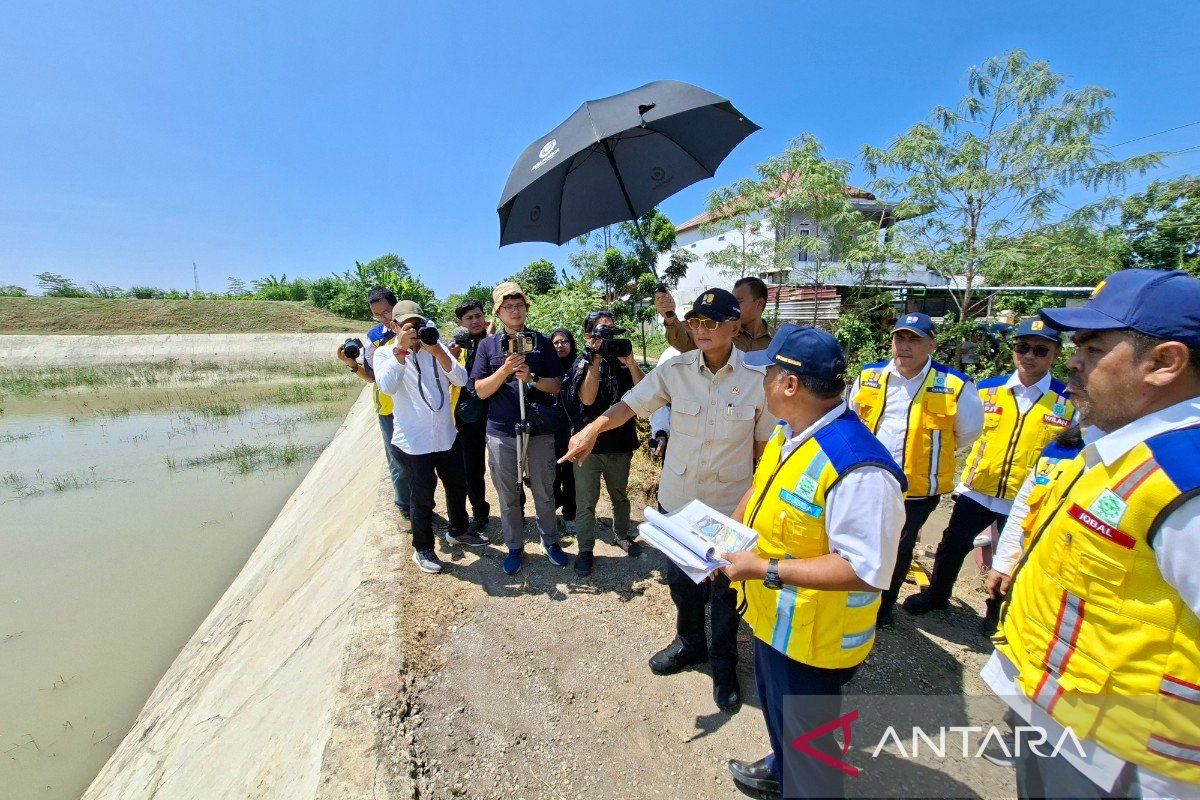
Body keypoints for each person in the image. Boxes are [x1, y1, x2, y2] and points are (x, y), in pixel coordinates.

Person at [982, 269, 1200, 799]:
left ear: (1164, 363)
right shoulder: (1117, 447)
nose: (1072, 361)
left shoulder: (1185, 482)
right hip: (1065, 722)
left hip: (1125, 761)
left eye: (1094, 348)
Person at [561, 288, 776, 712]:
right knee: (681, 583)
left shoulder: (757, 381)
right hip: (679, 504)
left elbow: (762, 452)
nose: (701, 330)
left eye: (711, 323)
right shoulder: (674, 371)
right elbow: (629, 406)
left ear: (735, 327)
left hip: (727, 509)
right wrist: (592, 429)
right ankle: (689, 644)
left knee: (725, 592)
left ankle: (723, 662)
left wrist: (750, 507)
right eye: (695, 322)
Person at [718, 324, 906, 800]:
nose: (762, 383)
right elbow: (759, 490)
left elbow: (865, 569)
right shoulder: (791, 433)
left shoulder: (858, 468)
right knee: (781, 719)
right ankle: (782, 767)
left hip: (813, 641)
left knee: (811, 750)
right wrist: (724, 536)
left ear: (789, 384)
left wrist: (763, 569)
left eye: (767, 374)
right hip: (775, 621)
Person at [903, 317, 1074, 625]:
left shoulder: (1068, 401)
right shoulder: (986, 390)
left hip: (1026, 498)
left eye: (1040, 350)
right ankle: (937, 596)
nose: (1029, 356)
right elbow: (961, 433)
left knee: (1013, 560)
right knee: (952, 546)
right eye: (1022, 347)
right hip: (979, 488)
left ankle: (996, 613)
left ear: (1056, 355)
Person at [849, 312, 984, 629]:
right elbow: (853, 418)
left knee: (898, 547)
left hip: (917, 489)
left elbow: (968, 432)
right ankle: (852, 599)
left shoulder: (955, 385)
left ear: (932, 345)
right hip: (868, 479)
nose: (905, 346)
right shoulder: (869, 376)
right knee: (858, 538)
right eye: (900, 338)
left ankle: (882, 611)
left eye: (914, 339)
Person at [372, 301, 487, 574]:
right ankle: (422, 548)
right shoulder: (385, 353)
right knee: (423, 496)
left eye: (418, 324)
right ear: (395, 326)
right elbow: (387, 387)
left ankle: (458, 530)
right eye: (408, 325)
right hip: (413, 441)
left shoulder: (435, 347)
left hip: (445, 436)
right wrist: (401, 351)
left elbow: (460, 379)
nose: (415, 330)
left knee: (457, 486)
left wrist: (438, 351)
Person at [471, 282, 569, 576]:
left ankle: (550, 541)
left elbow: (556, 386)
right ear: (498, 312)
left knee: (544, 489)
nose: (515, 311)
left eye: (519, 306)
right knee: (508, 493)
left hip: (539, 429)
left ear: (526, 308)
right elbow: (480, 390)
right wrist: (504, 370)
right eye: (508, 307)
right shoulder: (488, 346)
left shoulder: (542, 342)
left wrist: (531, 378)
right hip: (502, 431)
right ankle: (514, 546)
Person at [563, 311, 645, 577]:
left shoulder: (622, 358)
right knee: (586, 500)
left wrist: (631, 363)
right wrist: (595, 359)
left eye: (611, 329)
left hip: (620, 443)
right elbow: (587, 399)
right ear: (588, 336)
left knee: (619, 495)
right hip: (589, 447)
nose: (608, 336)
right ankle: (585, 549)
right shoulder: (582, 361)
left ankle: (622, 535)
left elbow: (646, 395)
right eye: (602, 331)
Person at [337, 286, 414, 521]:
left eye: (386, 312)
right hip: (389, 407)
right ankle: (405, 507)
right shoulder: (374, 338)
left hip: (415, 404)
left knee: (421, 458)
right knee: (397, 460)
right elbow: (371, 377)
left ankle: (422, 504)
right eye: (377, 315)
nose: (383, 318)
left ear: (396, 307)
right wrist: (352, 365)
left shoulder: (416, 329)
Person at [451, 299, 491, 531]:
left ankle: (516, 511)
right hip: (468, 416)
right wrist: (451, 357)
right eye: (469, 318)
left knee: (506, 465)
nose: (475, 321)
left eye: (478, 316)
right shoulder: (454, 347)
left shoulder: (497, 340)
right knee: (472, 468)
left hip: (497, 411)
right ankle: (479, 512)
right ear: (460, 323)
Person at [655, 276, 774, 354]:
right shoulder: (721, 329)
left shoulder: (777, 339)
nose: (733, 306)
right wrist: (669, 315)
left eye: (738, 301)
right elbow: (684, 343)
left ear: (759, 304)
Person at [550, 328, 579, 535]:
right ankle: (552, 511)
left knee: (571, 476)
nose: (560, 345)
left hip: (573, 429)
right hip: (550, 428)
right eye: (556, 342)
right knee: (550, 474)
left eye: (564, 341)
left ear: (571, 343)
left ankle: (570, 515)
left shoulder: (579, 365)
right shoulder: (546, 365)